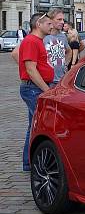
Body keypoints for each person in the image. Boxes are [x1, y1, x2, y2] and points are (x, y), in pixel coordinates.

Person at [18, 12, 55, 172]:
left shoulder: (37, 41)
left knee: (32, 125)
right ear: (38, 25)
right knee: (40, 125)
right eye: (48, 24)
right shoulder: (31, 41)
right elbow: (30, 70)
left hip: (35, 87)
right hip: (33, 88)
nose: (51, 26)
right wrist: (47, 90)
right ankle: (36, 163)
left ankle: (28, 163)